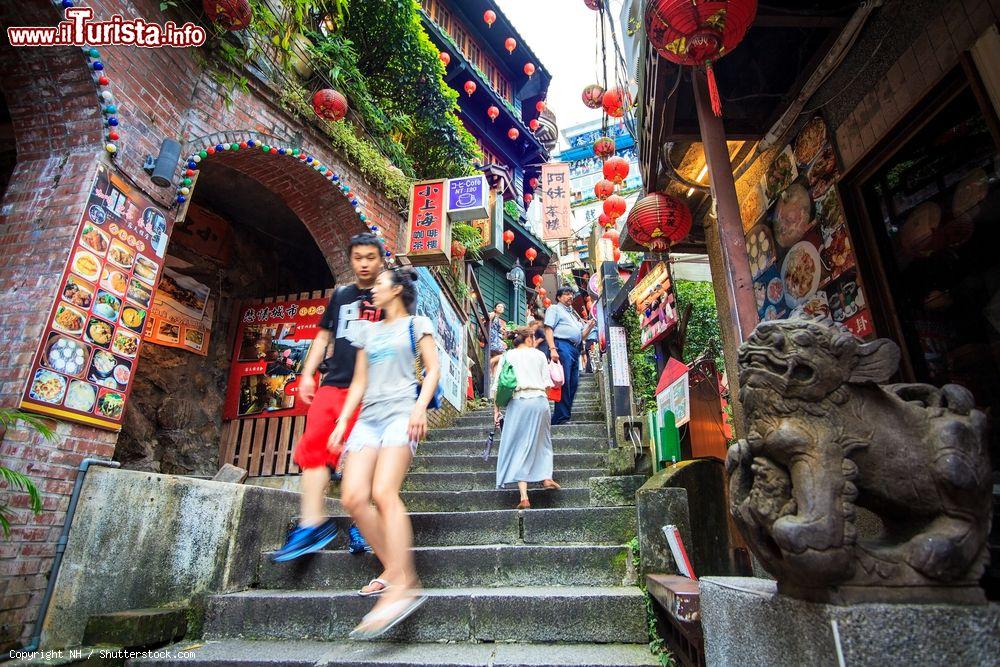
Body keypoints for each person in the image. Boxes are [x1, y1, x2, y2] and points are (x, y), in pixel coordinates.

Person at [330, 267, 440, 640]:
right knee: (353, 497)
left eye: (378, 283)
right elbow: (359, 381)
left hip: (400, 414)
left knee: (383, 492)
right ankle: (396, 571)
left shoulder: (418, 323)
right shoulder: (367, 330)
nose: (372, 289)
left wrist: (420, 407)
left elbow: (433, 369)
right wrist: (342, 424)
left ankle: (402, 583)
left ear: (396, 290)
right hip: (368, 419)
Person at [271, 233, 383, 562]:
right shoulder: (341, 296)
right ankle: (311, 524)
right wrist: (307, 374)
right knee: (314, 448)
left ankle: (364, 521)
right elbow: (322, 337)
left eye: (370, 257)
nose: (364, 263)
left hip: (373, 388)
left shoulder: (390, 294)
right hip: (333, 383)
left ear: (380, 260)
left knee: (364, 454)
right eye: (358, 257)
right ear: (351, 260)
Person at [495, 326, 559, 509]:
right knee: (543, 442)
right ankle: (546, 477)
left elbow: (498, 385)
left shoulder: (507, 356)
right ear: (529, 338)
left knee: (519, 446)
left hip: (518, 402)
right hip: (539, 401)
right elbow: (547, 383)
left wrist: (496, 411)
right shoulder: (539, 355)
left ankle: (524, 496)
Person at [544, 287, 596, 425]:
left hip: (575, 349)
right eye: (566, 294)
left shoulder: (573, 314)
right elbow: (548, 328)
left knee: (573, 383)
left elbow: (581, 335)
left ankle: (562, 416)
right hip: (561, 345)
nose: (570, 296)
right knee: (564, 382)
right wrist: (552, 349)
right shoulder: (554, 309)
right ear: (559, 297)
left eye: (572, 294)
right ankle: (561, 417)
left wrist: (590, 326)